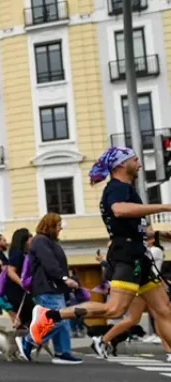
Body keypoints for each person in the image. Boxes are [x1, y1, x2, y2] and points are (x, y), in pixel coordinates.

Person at [32, 148, 171, 354]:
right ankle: (51, 315)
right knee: (114, 309)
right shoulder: (117, 187)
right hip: (127, 255)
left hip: (138, 255)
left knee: (163, 309)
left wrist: (160, 235)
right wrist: (165, 207)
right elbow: (119, 210)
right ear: (122, 165)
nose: (139, 163)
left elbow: (132, 224)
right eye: (135, 159)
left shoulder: (124, 188)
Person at [91, 227, 169, 358]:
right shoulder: (148, 250)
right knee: (141, 317)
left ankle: (103, 340)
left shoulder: (154, 251)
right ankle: (102, 339)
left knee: (149, 317)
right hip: (143, 285)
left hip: (148, 284)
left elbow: (137, 262)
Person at [16, 213, 82, 364]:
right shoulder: (40, 241)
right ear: (50, 226)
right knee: (58, 320)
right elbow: (50, 263)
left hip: (53, 287)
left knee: (62, 320)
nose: (60, 229)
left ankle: (62, 352)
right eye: (58, 226)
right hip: (47, 287)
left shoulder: (46, 241)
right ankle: (29, 340)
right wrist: (65, 279)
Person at [2, 228, 34, 331]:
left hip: (18, 291)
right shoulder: (18, 253)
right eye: (30, 236)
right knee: (28, 316)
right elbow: (10, 271)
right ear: (23, 239)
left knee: (26, 318)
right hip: (17, 292)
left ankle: (24, 340)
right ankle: (24, 341)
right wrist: (22, 283)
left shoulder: (22, 253)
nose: (32, 238)